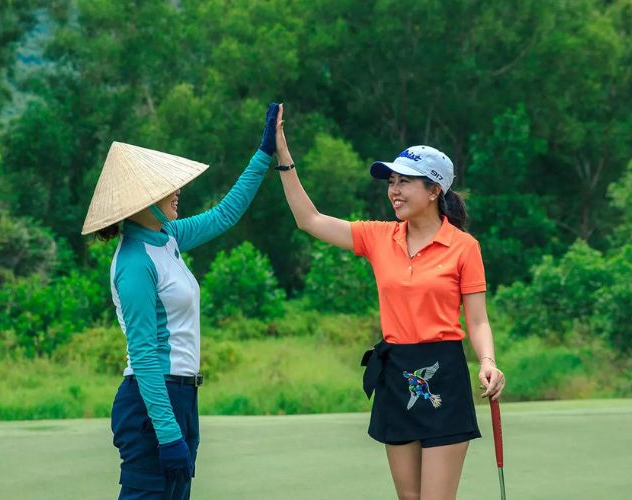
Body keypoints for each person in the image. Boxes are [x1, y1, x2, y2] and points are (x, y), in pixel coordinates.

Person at [273, 104, 506, 500]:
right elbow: (309, 220)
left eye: (405, 182)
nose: (393, 191)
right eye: (391, 182)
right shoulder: (379, 236)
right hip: (395, 371)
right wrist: (283, 154)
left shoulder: (464, 247)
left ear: (435, 191)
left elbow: (477, 320)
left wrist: (488, 362)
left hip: (443, 374)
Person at [81, 103, 280, 500]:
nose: (177, 193)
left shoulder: (168, 237)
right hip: (152, 403)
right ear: (140, 203)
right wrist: (169, 433)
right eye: (166, 189)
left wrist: (264, 154)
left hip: (182, 396)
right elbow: (144, 355)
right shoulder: (134, 264)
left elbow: (225, 214)